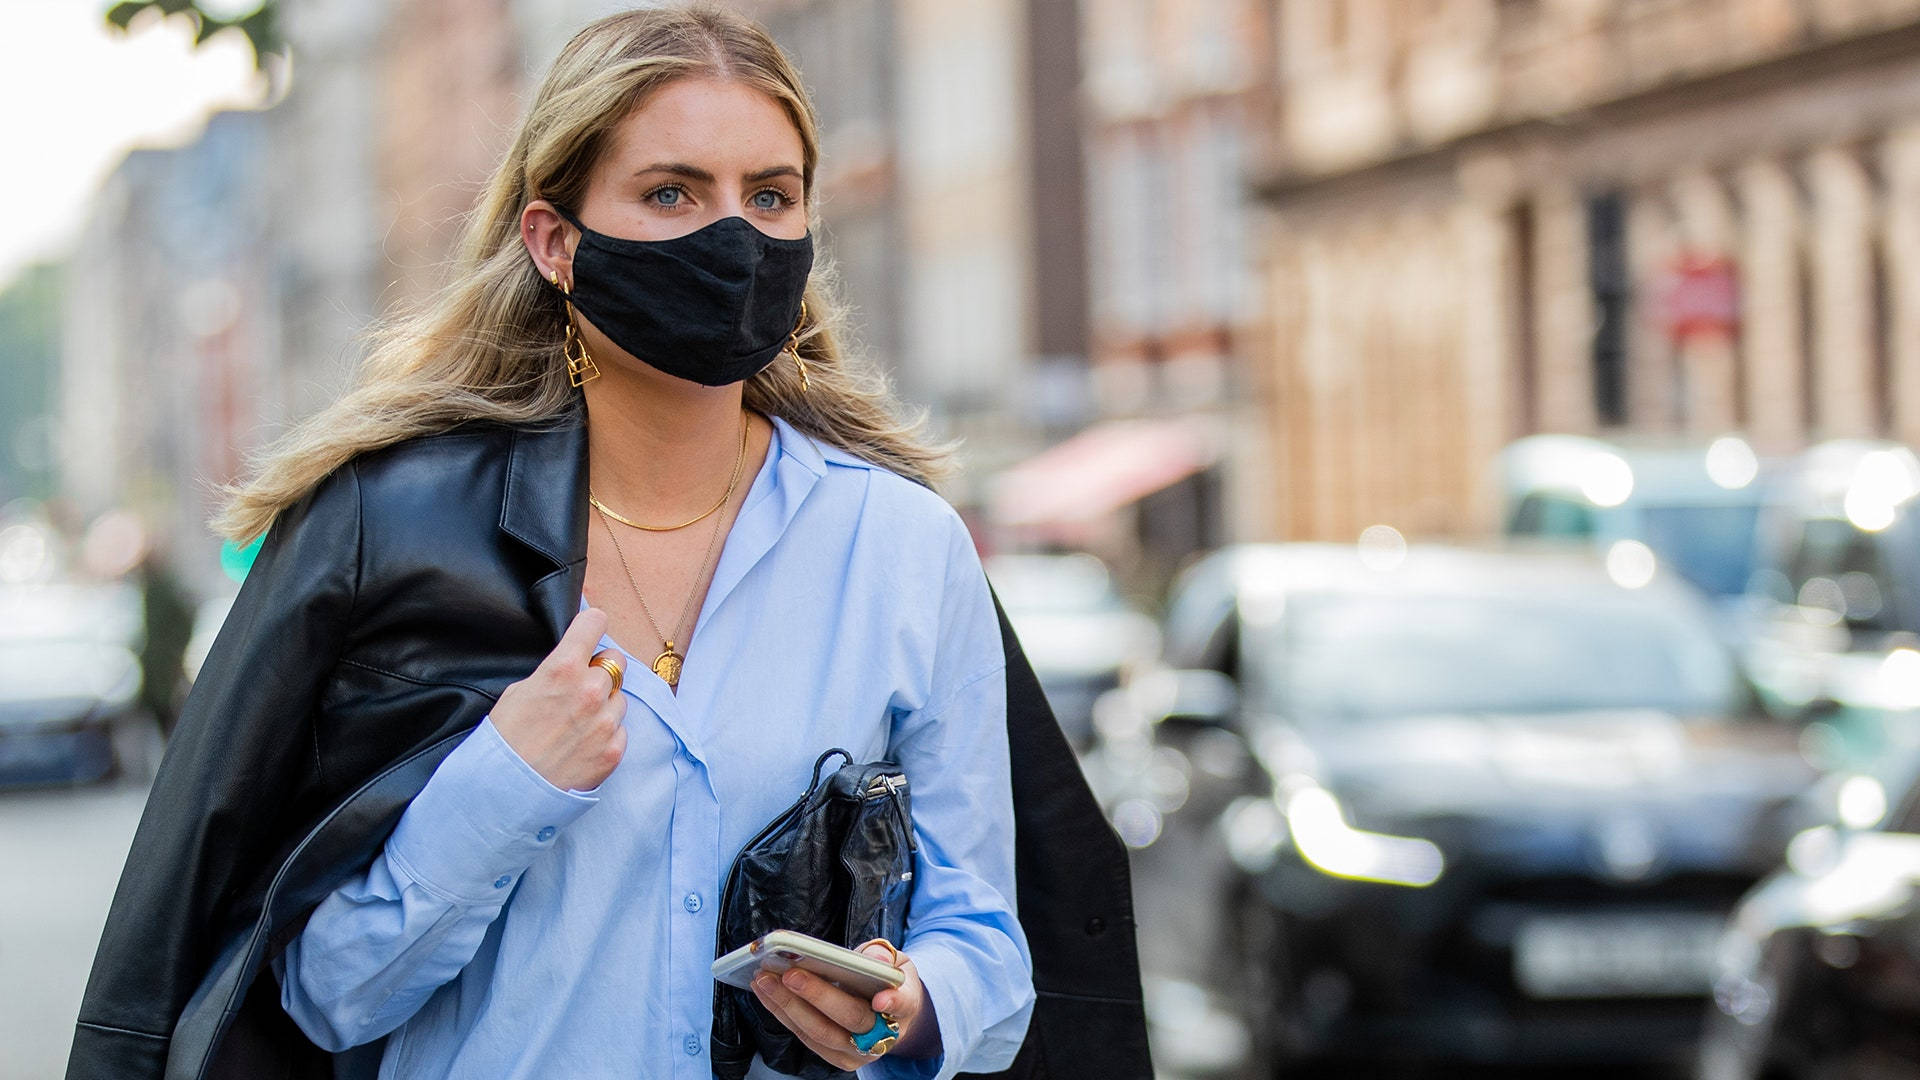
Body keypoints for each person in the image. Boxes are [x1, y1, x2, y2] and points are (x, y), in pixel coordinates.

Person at [64, 7, 1149, 1080]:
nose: (734, 237)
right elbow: (321, 997)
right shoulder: (389, 533)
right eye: (672, 192)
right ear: (555, 242)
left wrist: (912, 1008)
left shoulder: (904, 547)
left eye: (770, 196)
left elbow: (994, 949)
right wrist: (505, 786)